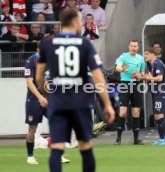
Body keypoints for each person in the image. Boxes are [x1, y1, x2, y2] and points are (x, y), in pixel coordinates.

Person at [36, 8, 115, 172]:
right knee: (85, 148)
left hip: (58, 103)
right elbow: (98, 76)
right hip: (80, 103)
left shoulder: (47, 43)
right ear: (73, 22)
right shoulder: (84, 43)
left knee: (57, 148)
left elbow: (39, 77)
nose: (81, 24)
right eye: (80, 20)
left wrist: (47, 94)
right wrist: (107, 103)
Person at [24, 41, 70, 165]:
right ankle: (30, 156)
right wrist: (40, 97)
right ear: (38, 49)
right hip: (34, 100)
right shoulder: (31, 61)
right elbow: (29, 83)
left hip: (49, 99)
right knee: (32, 129)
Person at [115, 39, 145, 145]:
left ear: (138, 47)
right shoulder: (123, 56)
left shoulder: (141, 58)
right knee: (122, 111)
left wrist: (140, 75)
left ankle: (136, 140)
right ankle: (118, 138)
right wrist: (123, 69)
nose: (133, 48)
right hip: (125, 84)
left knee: (136, 112)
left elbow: (142, 73)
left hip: (136, 84)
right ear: (129, 46)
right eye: (132, 46)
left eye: (135, 46)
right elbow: (118, 68)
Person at [139, 48, 165, 145]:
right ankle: (162, 138)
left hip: (162, 92)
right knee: (157, 116)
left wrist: (148, 78)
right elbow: (154, 78)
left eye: (147, 54)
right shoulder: (153, 65)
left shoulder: (157, 63)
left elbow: (159, 78)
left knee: (160, 115)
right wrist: (146, 77)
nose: (145, 56)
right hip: (158, 92)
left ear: (153, 54)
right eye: (144, 54)